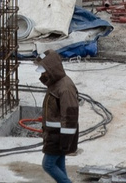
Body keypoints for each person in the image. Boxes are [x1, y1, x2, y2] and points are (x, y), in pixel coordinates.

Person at [37, 51, 82, 182]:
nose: (42, 74)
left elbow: (70, 117)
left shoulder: (65, 88)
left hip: (59, 137)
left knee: (48, 165)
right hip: (54, 135)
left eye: (44, 71)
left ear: (51, 69)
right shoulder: (54, 84)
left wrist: (65, 142)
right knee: (59, 165)